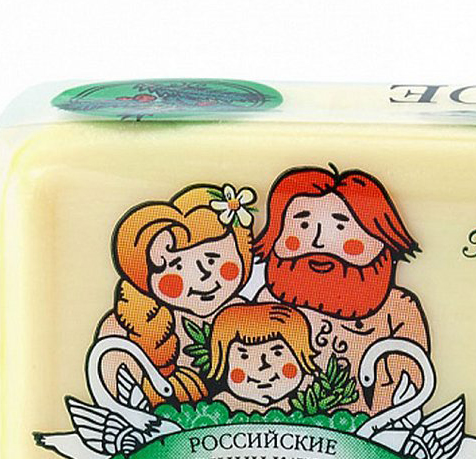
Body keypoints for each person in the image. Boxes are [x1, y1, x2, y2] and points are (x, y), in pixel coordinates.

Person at [254, 167, 428, 411]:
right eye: (303, 225)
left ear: (380, 238)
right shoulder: (267, 303)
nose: (318, 242)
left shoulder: (398, 309)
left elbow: (408, 386)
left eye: (340, 228)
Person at [96, 183, 255, 404]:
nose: (203, 275)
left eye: (212, 259)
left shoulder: (247, 317)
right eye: (176, 266)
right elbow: (115, 397)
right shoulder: (126, 328)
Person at [207, 303, 319, 412]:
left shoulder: (310, 396)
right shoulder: (220, 405)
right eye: (244, 356)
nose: (262, 366)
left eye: (277, 353)